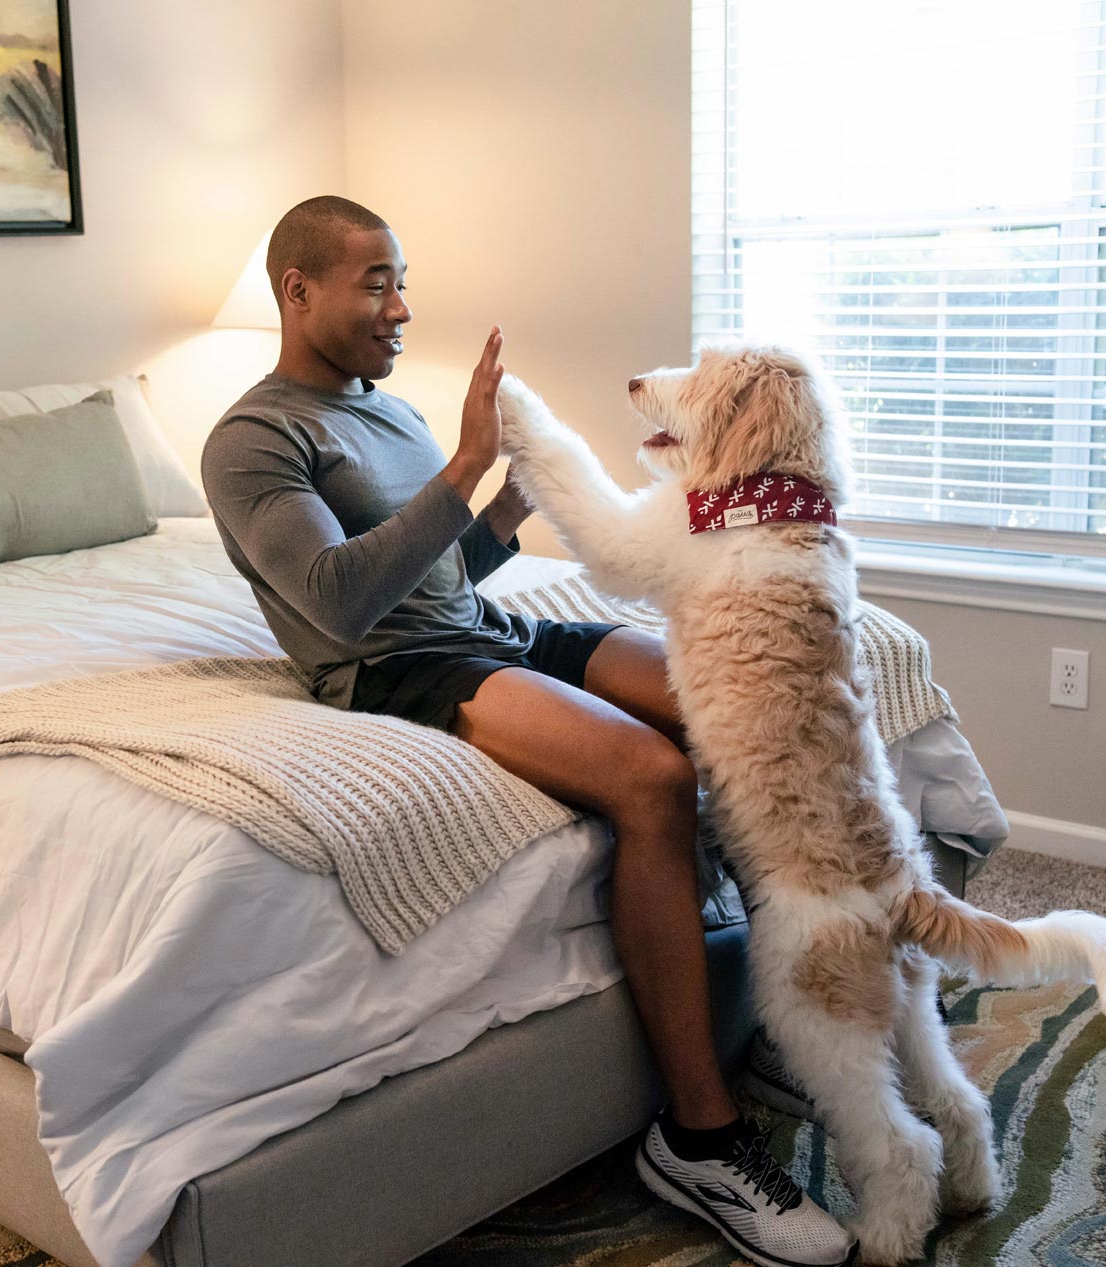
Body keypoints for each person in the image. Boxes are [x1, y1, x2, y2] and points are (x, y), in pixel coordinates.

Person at [199, 196, 854, 1267]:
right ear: (296, 290)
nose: (401, 306)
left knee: (738, 705)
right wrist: (462, 469)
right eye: (376, 282)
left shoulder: (390, 413)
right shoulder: (254, 437)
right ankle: (698, 1138)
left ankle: (777, 1014)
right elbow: (340, 604)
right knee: (649, 779)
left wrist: (511, 498)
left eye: (402, 278)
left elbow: (448, 576)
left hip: (485, 628)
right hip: (401, 671)